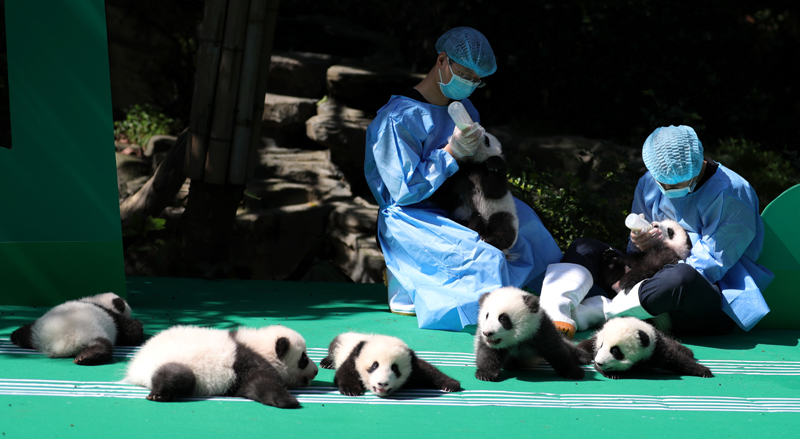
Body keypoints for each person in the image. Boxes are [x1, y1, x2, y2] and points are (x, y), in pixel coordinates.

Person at [364, 27, 563, 331]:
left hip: (459, 201)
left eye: (476, 80)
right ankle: (408, 284)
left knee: (527, 224)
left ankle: (558, 301)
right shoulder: (397, 118)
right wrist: (450, 153)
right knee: (485, 257)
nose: (470, 85)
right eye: (465, 76)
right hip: (414, 214)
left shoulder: (465, 107)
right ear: (442, 60)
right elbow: (403, 191)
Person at [539, 125, 774, 337]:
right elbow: (637, 251)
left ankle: (598, 312)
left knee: (683, 277)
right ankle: (552, 316)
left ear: (698, 164)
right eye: (664, 183)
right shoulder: (649, 182)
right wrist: (639, 242)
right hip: (646, 284)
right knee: (584, 247)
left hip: (704, 299)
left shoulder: (732, 193)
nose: (669, 189)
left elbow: (711, 265)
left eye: (679, 184)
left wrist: (649, 276)